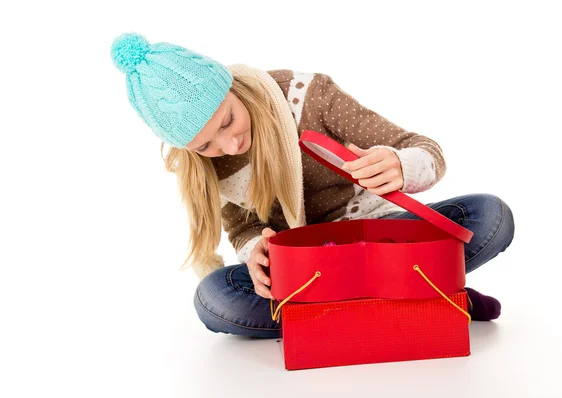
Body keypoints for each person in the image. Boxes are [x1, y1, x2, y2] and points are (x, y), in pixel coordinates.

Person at [111, 32, 515, 339]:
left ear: (231, 87)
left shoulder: (309, 96)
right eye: (205, 145)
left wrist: (398, 164)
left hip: (379, 239)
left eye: (227, 121)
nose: (228, 144)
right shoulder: (205, 166)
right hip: (309, 268)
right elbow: (242, 228)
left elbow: (420, 148)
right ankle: (423, 299)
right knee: (213, 299)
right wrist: (258, 253)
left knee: (491, 216)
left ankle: (343, 316)